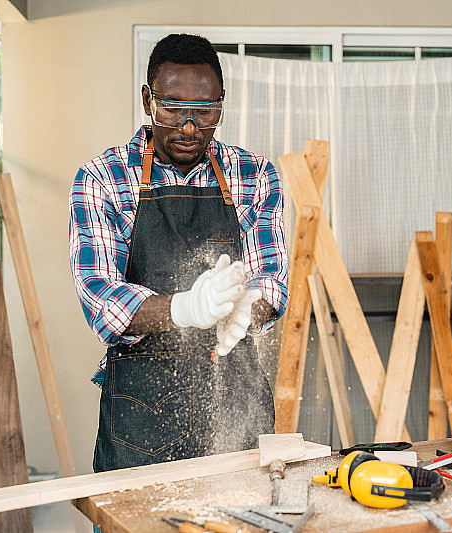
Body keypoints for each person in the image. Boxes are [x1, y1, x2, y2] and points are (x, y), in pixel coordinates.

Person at [69, 33, 288, 474]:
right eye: (173, 108)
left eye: (205, 112)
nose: (189, 127)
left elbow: (270, 281)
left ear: (222, 104)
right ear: (147, 99)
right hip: (140, 416)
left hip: (234, 401)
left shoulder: (255, 174)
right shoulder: (103, 177)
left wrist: (248, 306)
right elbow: (102, 299)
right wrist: (187, 308)